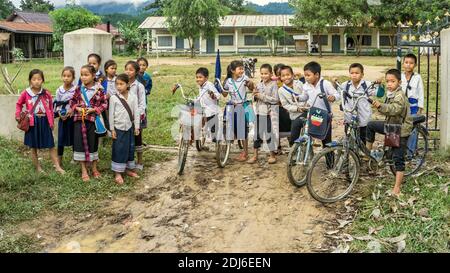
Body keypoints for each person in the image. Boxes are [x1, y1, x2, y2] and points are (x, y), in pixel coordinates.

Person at [366, 69, 413, 197]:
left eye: (392, 81)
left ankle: (397, 188)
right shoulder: (391, 93)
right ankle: (367, 155)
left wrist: (380, 106)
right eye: (387, 81)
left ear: (399, 82)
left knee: (398, 159)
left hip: (400, 129)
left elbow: (394, 110)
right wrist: (379, 85)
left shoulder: (399, 96)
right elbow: (381, 94)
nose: (389, 84)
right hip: (391, 125)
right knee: (370, 125)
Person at [15, 69, 65, 174]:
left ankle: (57, 167)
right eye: (34, 79)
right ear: (30, 80)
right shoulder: (26, 93)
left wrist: (51, 122)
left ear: (42, 80)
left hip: (45, 122)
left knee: (51, 145)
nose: (37, 81)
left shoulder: (46, 93)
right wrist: (17, 114)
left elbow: (51, 108)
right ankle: (38, 168)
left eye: (39, 79)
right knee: (34, 147)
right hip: (32, 123)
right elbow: (19, 104)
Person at [70, 65, 107, 182]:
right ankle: (84, 169)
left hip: (92, 121)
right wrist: (77, 108)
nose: (84, 77)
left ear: (93, 76)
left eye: (86, 75)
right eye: (82, 75)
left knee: (93, 144)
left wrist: (94, 110)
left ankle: (94, 168)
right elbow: (72, 102)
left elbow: (104, 104)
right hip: (79, 120)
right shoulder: (78, 89)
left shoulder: (99, 90)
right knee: (79, 144)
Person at [335, 63, 379, 144]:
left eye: (357, 73)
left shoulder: (367, 85)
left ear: (362, 74)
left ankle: (362, 153)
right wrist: (335, 87)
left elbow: (378, 93)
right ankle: (351, 153)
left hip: (364, 118)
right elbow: (338, 94)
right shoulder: (345, 85)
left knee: (363, 139)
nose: (354, 75)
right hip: (349, 117)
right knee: (349, 136)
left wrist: (379, 85)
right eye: (352, 73)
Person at [109, 73, 141, 185]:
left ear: (128, 84)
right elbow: (111, 115)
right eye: (117, 84)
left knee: (129, 148)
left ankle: (127, 169)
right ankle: (118, 172)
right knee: (119, 149)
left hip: (129, 128)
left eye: (121, 84)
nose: (118, 86)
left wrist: (137, 126)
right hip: (118, 128)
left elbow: (136, 113)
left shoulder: (133, 97)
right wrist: (112, 129)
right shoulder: (113, 98)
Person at [222, 60, 255, 162]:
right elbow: (225, 94)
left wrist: (250, 83)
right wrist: (220, 87)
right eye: (240, 69)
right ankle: (229, 142)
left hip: (242, 106)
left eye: (242, 68)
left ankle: (245, 153)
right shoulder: (228, 81)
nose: (242, 70)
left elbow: (251, 87)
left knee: (242, 130)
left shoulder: (244, 78)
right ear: (232, 70)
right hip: (231, 106)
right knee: (228, 126)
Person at [248, 64, 279, 164]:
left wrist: (261, 96)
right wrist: (255, 95)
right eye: (262, 73)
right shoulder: (259, 84)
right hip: (259, 113)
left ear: (271, 74)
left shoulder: (274, 85)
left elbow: (275, 100)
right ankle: (255, 155)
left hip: (269, 114)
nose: (263, 76)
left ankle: (272, 155)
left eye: (266, 73)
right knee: (257, 135)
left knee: (269, 134)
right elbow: (254, 98)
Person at [278, 65, 309, 147]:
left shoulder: (300, 83)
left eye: (288, 75)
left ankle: (309, 149)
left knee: (308, 134)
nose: (286, 77)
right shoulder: (281, 90)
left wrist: (305, 105)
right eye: (283, 76)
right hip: (295, 115)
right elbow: (285, 105)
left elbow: (306, 95)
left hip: (306, 112)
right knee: (294, 135)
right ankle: (294, 151)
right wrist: (297, 109)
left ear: (292, 75)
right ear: (280, 78)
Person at [125, 61, 147, 170]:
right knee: (127, 139)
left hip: (138, 117)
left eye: (131, 70)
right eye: (126, 69)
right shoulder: (122, 84)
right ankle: (129, 161)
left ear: (137, 72)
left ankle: (140, 161)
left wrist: (137, 115)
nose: (128, 72)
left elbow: (142, 104)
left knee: (138, 138)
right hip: (125, 117)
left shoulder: (139, 86)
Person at [54, 66, 76, 166]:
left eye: (69, 76)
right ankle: (59, 159)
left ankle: (75, 157)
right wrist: (59, 113)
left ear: (73, 78)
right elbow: (57, 103)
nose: (66, 78)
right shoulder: (59, 90)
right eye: (64, 76)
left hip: (72, 118)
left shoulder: (76, 89)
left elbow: (77, 102)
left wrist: (72, 109)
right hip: (62, 118)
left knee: (74, 137)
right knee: (61, 139)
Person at [195, 67, 221, 144]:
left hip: (211, 110)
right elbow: (201, 96)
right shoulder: (201, 86)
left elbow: (218, 95)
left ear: (206, 78)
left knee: (213, 131)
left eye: (200, 77)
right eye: (197, 77)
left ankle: (215, 138)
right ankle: (202, 136)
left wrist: (213, 95)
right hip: (203, 109)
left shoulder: (209, 85)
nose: (198, 79)